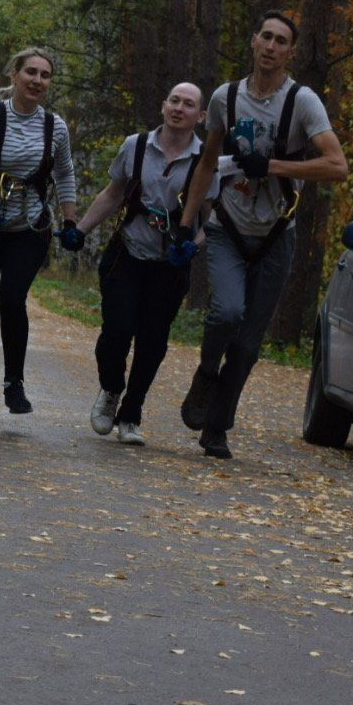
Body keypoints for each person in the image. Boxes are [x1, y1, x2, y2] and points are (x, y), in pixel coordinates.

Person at [175, 11, 350, 459]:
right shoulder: (225, 98)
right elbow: (208, 162)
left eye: (281, 41)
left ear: (291, 52)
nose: (271, 47)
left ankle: (216, 427)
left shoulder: (303, 102)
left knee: (250, 343)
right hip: (228, 227)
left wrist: (273, 166)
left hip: (277, 233)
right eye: (266, 37)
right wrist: (186, 222)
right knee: (227, 312)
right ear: (253, 43)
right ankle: (207, 372)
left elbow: (337, 166)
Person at [73, 83, 215, 446]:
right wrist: (81, 230)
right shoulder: (135, 146)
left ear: (200, 116)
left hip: (169, 264)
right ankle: (111, 389)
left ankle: (131, 413)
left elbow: (214, 221)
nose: (179, 108)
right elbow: (113, 193)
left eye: (188, 104)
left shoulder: (207, 160)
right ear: (163, 105)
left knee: (152, 341)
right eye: (174, 100)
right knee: (116, 331)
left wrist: (193, 248)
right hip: (128, 252)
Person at [0, 47, 81, 422]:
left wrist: (70, 222)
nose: (37, 80)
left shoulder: (54, 126)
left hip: (29, 226)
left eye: (45, 75)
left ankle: (13, 382)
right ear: (15, 74)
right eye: (31, 73)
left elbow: (65, 173)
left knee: (12, 298)